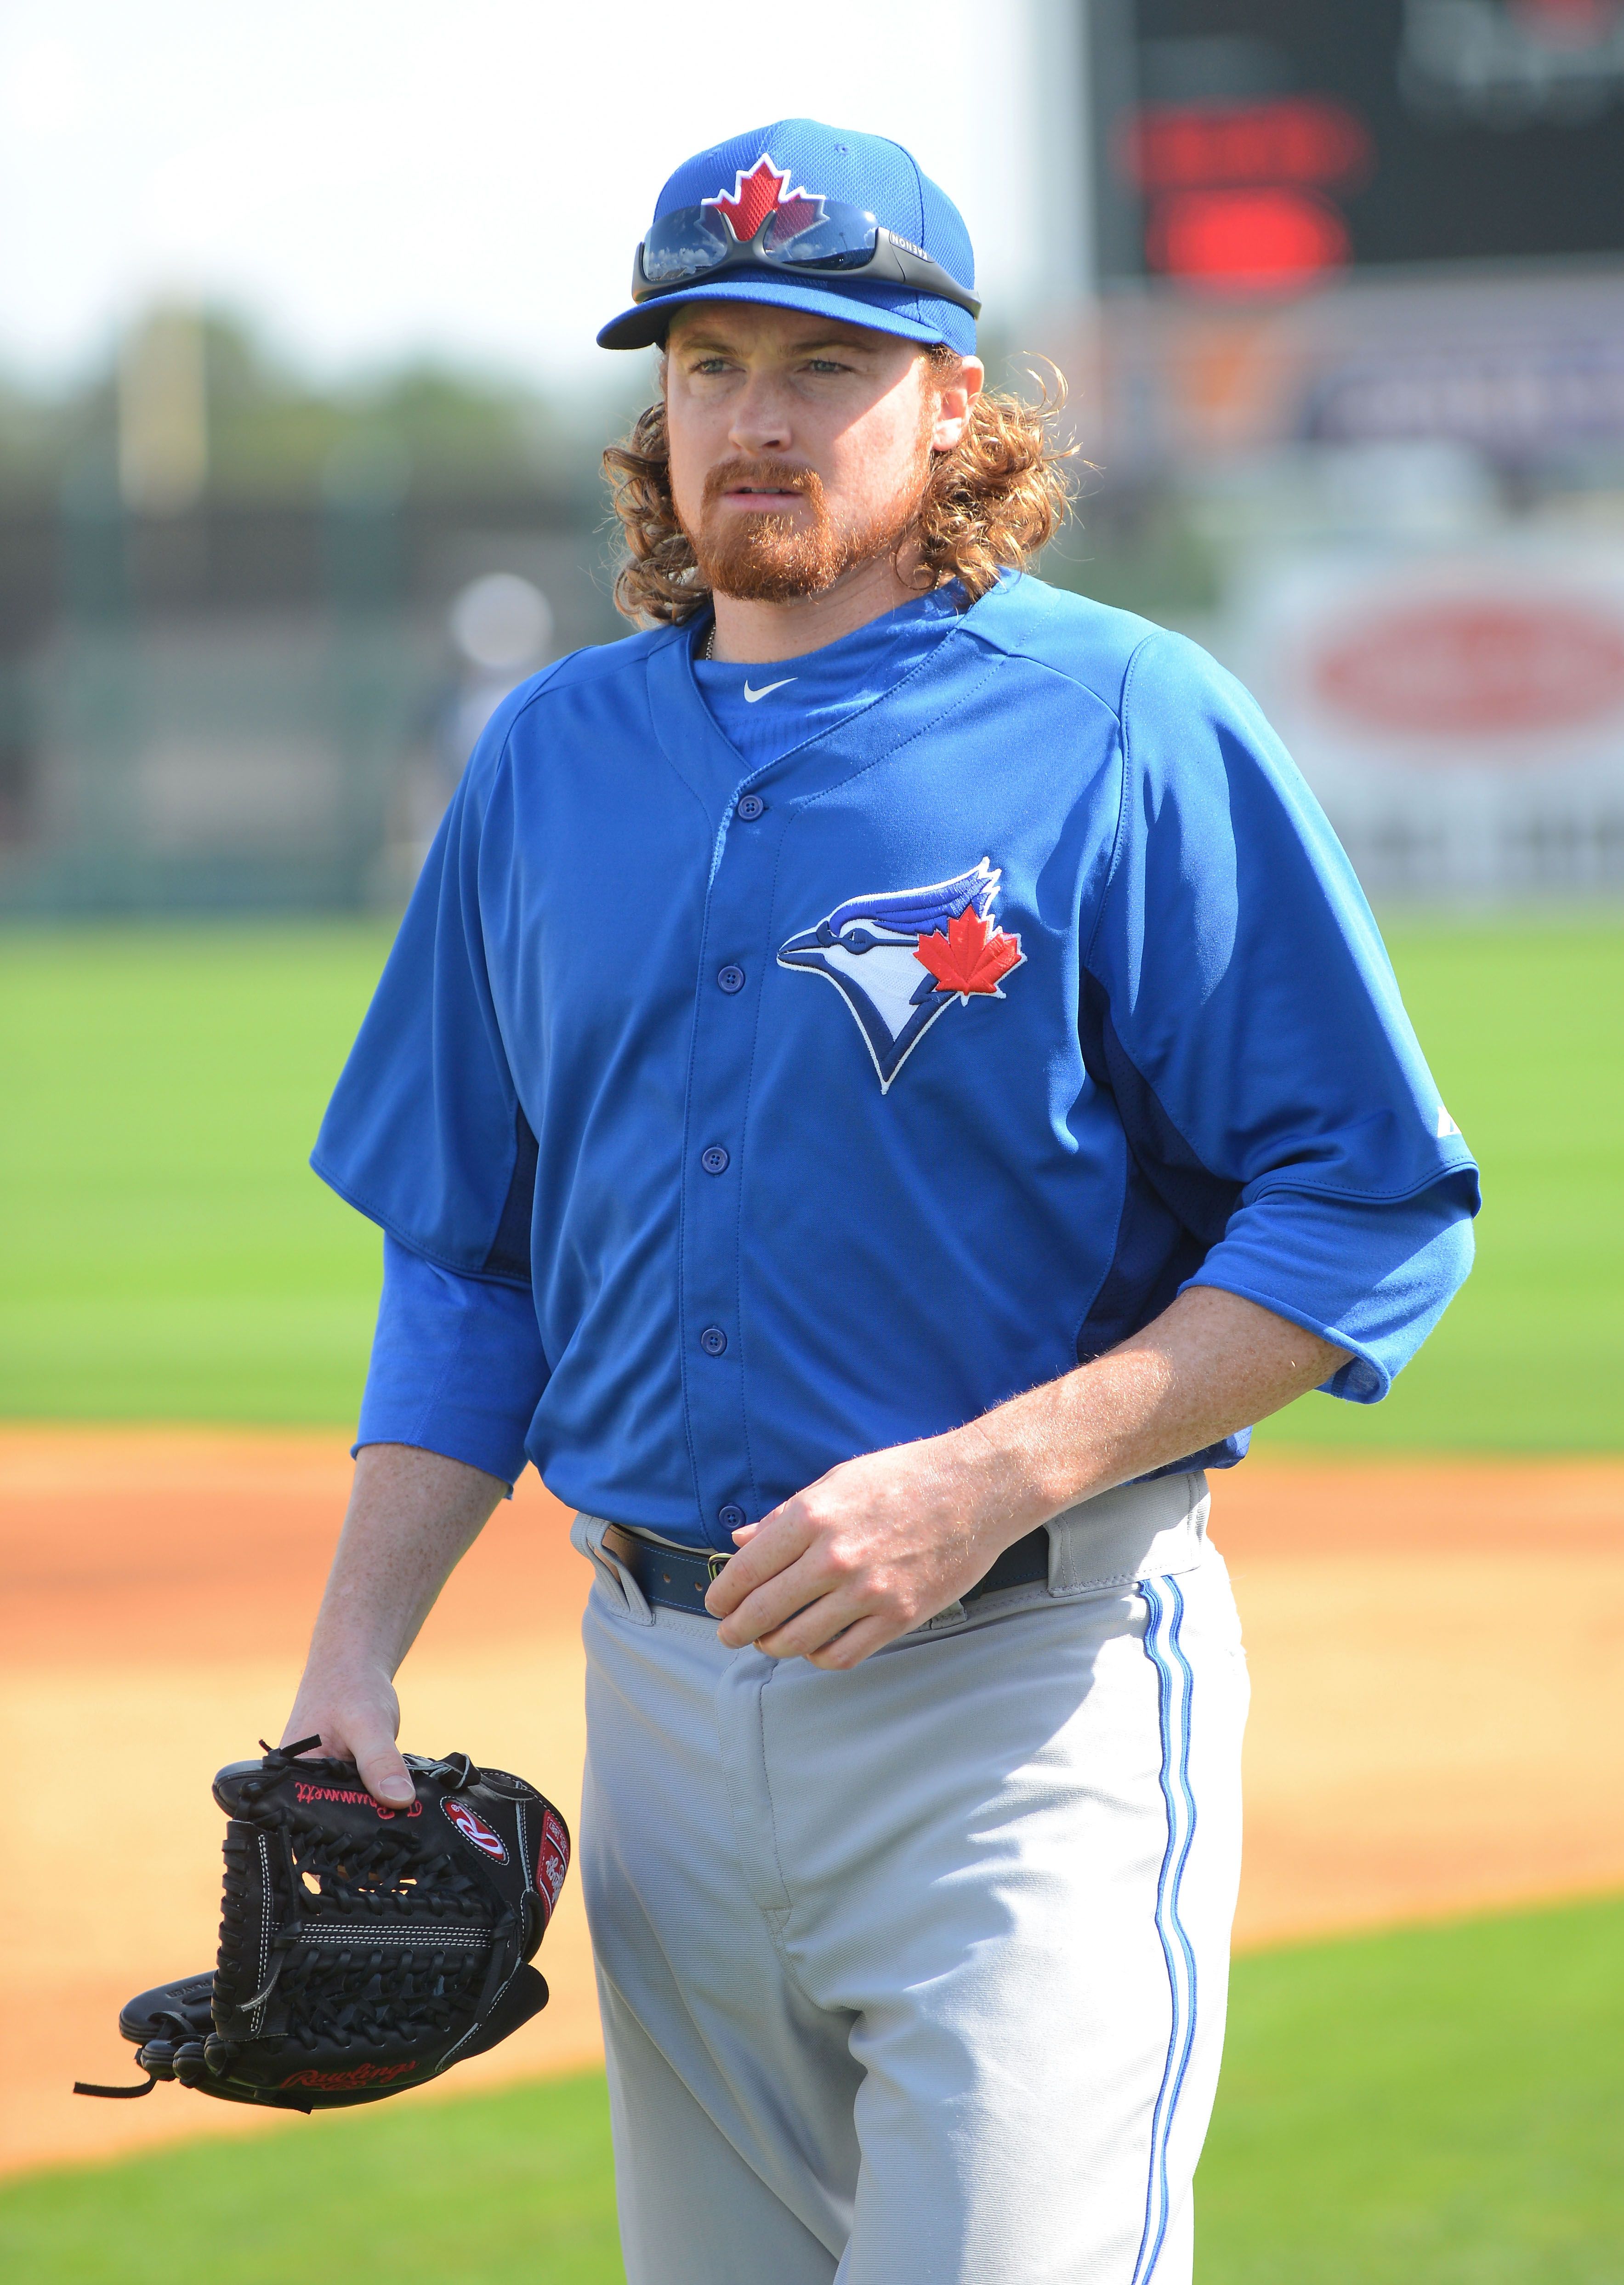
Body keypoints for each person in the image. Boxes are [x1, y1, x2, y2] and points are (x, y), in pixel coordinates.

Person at [283, 119, 1478, 2284]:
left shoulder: (1125, 723)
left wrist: (987, 1475)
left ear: (952, 403)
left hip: (1014, 1704)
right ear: (656, 414)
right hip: (648, 1706)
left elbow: (1363, 1200)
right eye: (709, 361)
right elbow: (469, 1254)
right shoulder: (548, 763)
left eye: (824, 364)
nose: (757, 416)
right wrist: (349, 1656)